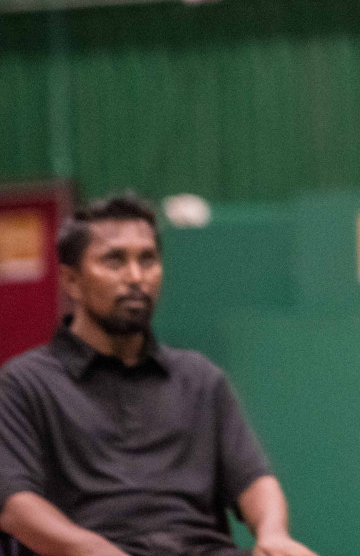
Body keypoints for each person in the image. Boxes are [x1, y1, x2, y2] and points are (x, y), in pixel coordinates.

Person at [0, 195, 318, 556]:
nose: (136, 277)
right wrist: (89, 549)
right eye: (114, 260)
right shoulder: (23, 384)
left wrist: (273, 534)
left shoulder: (200, 379)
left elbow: (254, 480)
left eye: (147, 259)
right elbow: (14, 506)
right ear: (71, 281)